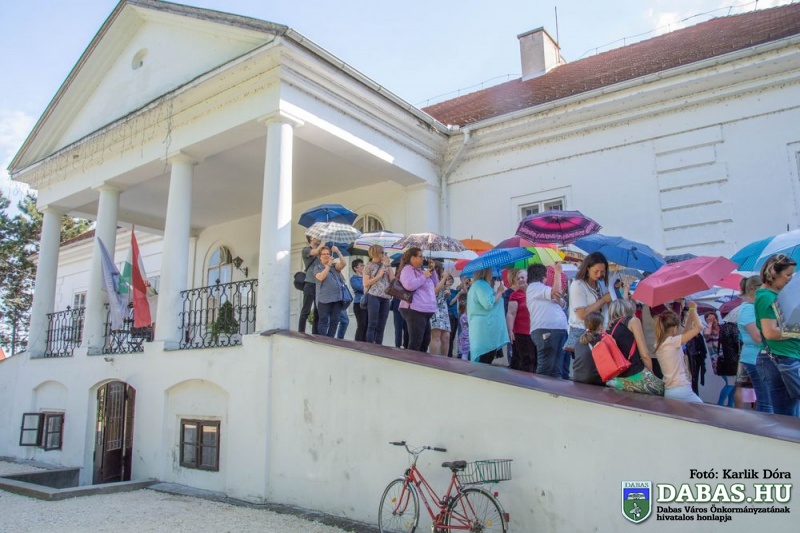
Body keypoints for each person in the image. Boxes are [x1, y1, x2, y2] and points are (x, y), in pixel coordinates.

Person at [754, 254, 800, 417]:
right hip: (781, 358)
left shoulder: (773, 295)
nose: (790, 279)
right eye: (788, 275)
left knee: (789, 412)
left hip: (783, 357)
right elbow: (770, 332)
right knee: (786, 413)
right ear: (774, 273)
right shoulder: (767, 297)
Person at [605, 299, 664, 396]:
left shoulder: (608, 328)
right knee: (662, 389)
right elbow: (644, 354)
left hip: (618, 379)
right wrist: (650, 374)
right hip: (635, 375)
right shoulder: (632, 321)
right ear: (628, 309)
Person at [655, 305, 704, 402]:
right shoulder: (672, 342)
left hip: (670, 390)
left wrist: (690, 316)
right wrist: (693, 309)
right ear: (674, 329)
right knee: (701, 409)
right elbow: (699, 327)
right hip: (681, 389)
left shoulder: (660, 344)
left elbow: (684, 335)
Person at [566, 253, 613, 355]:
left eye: (602, 272)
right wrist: (603, 300)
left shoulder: (601, 284)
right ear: (587, 268)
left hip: (599, 333)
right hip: (582, 334)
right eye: (596, 271)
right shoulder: (578, 285)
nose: (599, 274)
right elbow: (582, 314)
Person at [526, 264, 568, 378]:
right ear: (543, 275)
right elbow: (557, 293)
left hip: (558, 329)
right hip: (546, 329)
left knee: (556, 370)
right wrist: (558, 272)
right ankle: (539, 389)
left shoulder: (541, 288)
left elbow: (560, 300)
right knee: (545, 369)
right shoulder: (534, 287)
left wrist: (557, 296)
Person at [736, 275, 771, 412]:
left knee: (765, 399)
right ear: (752, 289)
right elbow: (757, 337)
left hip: (756, 357)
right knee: (766, 400)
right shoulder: (748, 309)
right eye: (764, 288)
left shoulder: (753, 308)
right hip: (754, 358)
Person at [398, 247, 438, 352]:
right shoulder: (407, 269)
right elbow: (409, 285)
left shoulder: (422, 271)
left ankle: (420, 361)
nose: (423, 259)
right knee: (416, 342)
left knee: (425, 341)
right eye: (420, 256)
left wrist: (432, 270)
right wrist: (424, 276)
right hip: (414, 309)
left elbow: (435, 284)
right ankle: (411, 361)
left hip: (426, 310)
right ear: (412, 258)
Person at [468, 267, 509, 364]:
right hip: (485, 332)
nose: (492, 273)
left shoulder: (481, 285)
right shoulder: (480, 285)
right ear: (486, 272)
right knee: (484, 363)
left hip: (486, 331)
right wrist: (499, 292)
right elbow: (488, 303)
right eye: (490, 271)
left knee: (485, 362)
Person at [363, 245, 394, 344]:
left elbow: (393, 280)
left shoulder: (385, 265)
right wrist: (379, 276)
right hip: (373, 296)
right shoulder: (369, 265)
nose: (384, 255)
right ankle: (370, 346)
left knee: (382, 325)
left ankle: (379, 346)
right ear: (377, 253)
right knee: (372, 323)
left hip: (386, 297)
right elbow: (366, 283)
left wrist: (388, 265)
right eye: (382, 253)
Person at [506, 268, 536, 372]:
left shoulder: (535, 292)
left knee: (536, 360)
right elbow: (510, 313)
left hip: (536, 331)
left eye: (523, 277)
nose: (520, 280)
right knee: (525, 360)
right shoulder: (515, 295)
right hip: (521, 333)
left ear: (529, 278)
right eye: (518, 279)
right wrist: (510, 330)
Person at [313, 245, 347, 337]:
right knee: (323, 320)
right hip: (324, 299)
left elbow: (343, 264)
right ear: (320, 257)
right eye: (324, 254)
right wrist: (328, 265)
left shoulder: (334, 266)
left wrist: (338, 252)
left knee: (335, 320)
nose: (326, 255)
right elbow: (321, 277)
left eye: (328, 254)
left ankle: (331, 339)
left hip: (337, 298)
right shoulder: (318, 267)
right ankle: (323, 340)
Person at [299, 236, 324, 334]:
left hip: (319, 284)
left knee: (318, 311)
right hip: (310, 283)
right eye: (317, 237)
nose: (319, 239)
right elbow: (315, 252)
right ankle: (301, 332)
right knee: (306, 310)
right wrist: (323, 242)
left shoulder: (320, 252)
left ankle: (315, 334)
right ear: (312, 238)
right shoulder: (306, 250)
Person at [572, 312, 605, 386]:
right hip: (595, 380)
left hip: (577, 377)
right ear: (600, 326)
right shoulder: (601, 340)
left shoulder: (580, 340)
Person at [429, 269, 452, 356]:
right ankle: (432, 358)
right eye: (442, 270)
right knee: (436, 336)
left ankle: (444, 359)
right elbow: (435, 292)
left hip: (444, 310)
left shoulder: (444, 281)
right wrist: (444, 278)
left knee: (446, 337)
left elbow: (447, 295)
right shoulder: (433, 280)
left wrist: (447, 289)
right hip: (435, 309)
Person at [350, 259, 367, 342]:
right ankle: (358, 343)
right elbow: (361, 288)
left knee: (367, 324)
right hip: (358, 303)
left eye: (363, 265)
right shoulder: (354, 279)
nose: (363, 267)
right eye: (361, 266)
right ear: (355, 268)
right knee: (361, 324)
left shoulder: (366, 277)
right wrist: (368, 284)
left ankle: (365, 343)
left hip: (368, 303)